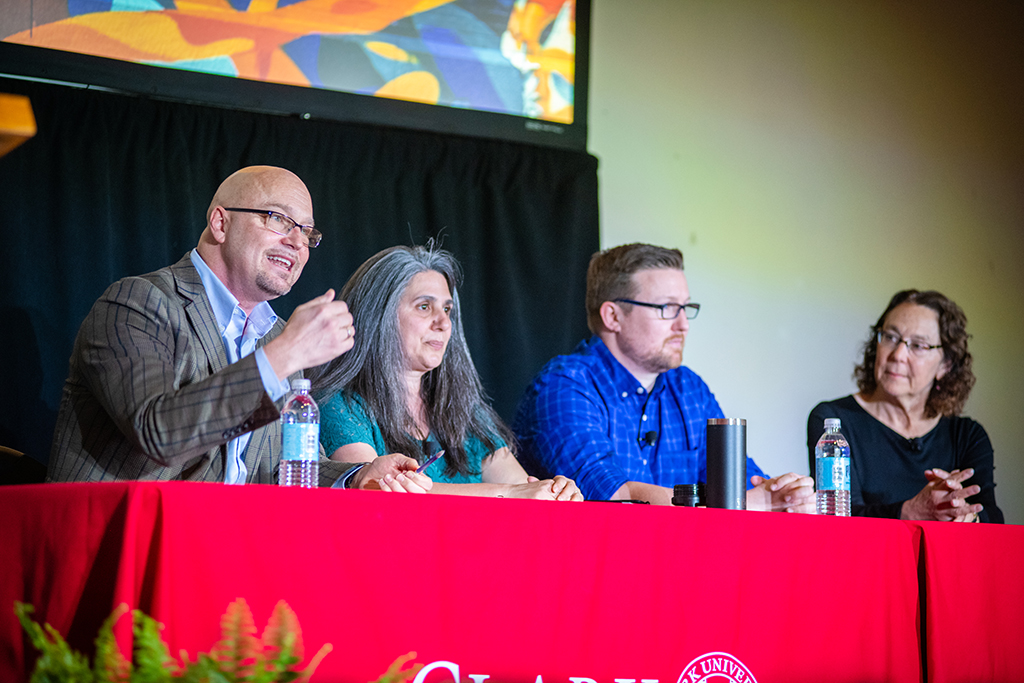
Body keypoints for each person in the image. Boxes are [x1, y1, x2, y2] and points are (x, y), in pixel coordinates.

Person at [48, 166, 428, 492]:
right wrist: (286, 354)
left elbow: (282, 468)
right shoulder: (138, 304)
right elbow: (157, 434)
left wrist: (359, 475)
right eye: (279, 219)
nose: (297, 242)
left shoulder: (277, 335)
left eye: (308, 233)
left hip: (225, 546)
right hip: (121, 546)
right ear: (221, 222)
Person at [513, 243, 814, 510]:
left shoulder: (689, 388)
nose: (683, 324)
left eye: (686, 307)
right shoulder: (565, 387)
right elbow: (611, 498)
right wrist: (747, 502)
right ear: (613, 316)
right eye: (667, 308)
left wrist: (785, 497)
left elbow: (744, 485)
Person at [308, 245, 582, 501]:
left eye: (447, 309)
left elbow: (523, 487)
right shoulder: (339, 404)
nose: (443, 322)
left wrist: (554, 492)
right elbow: (376, 492)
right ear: (380, 315)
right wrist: (510, 493)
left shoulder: (467, 411)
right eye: (424, 307)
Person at [807, 290, 1002, 523]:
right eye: (890, 337)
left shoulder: (967, 436)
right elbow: (839, 518)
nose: (898, 354)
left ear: (946, 365)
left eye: (918, 345)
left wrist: (966, 514)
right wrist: (908, 512)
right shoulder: (834, 422)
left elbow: (993, 518)